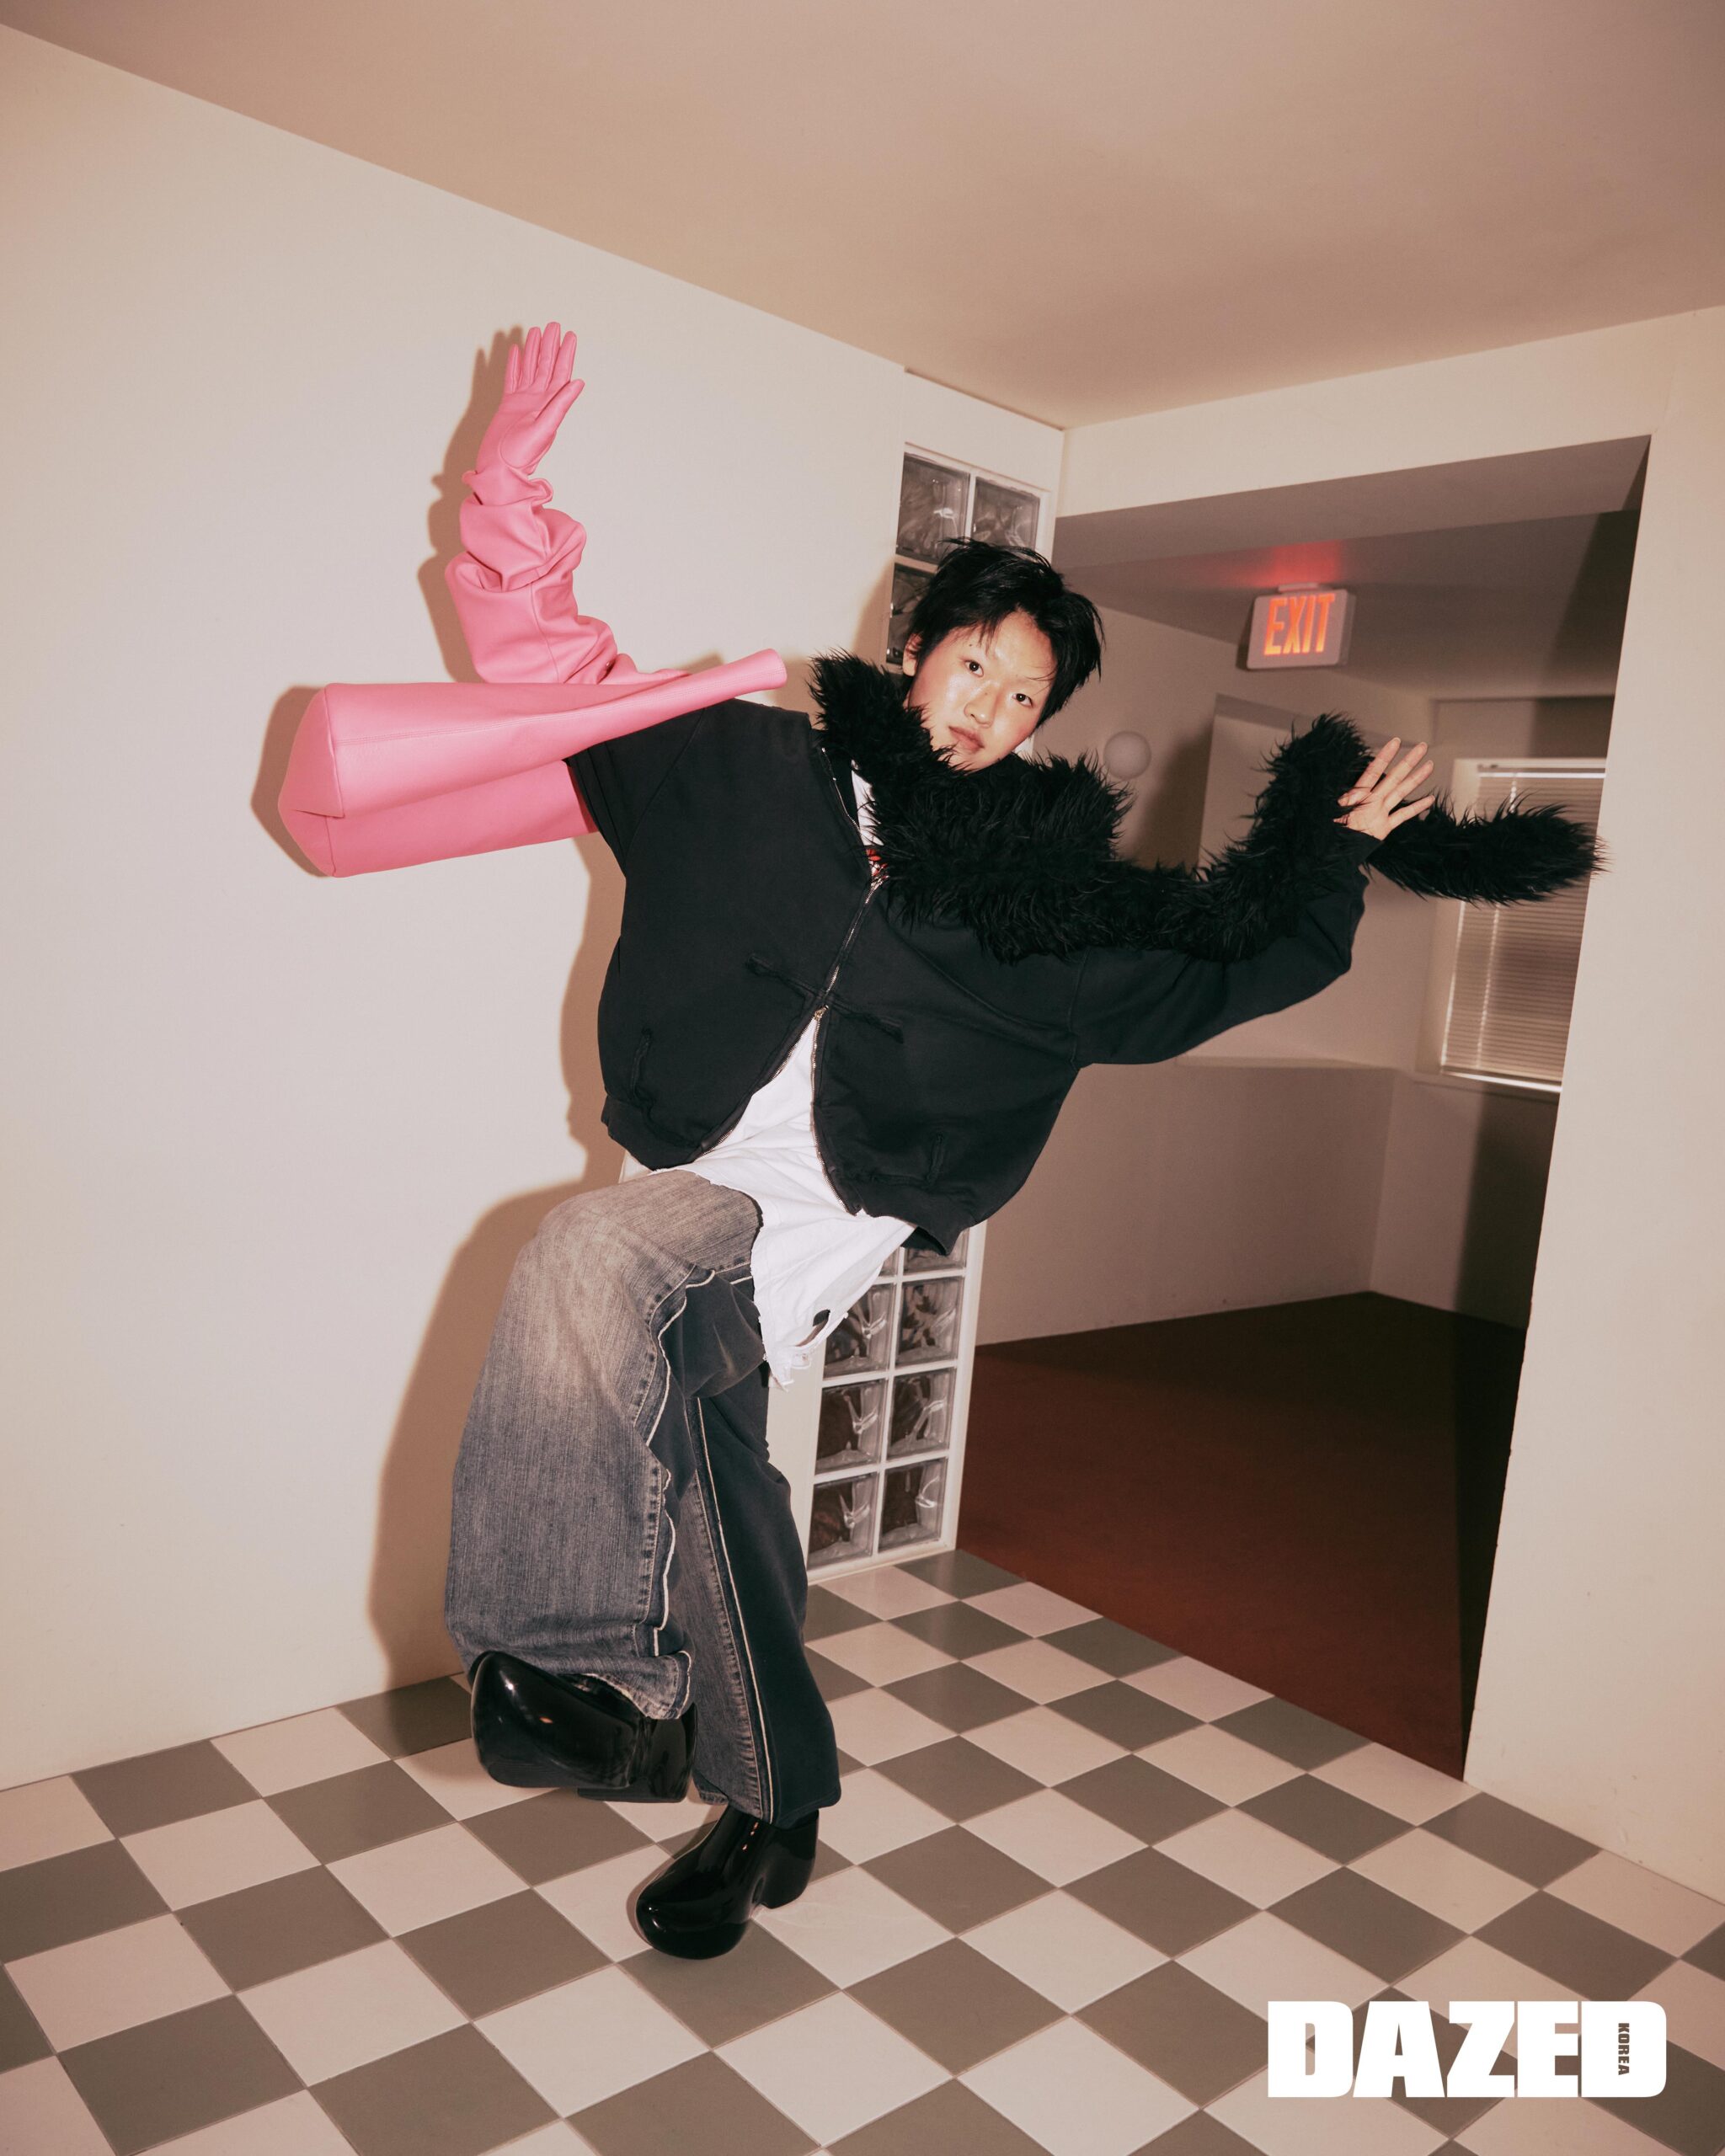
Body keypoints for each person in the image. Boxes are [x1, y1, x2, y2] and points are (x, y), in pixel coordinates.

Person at [434, 323, 1599, 1960]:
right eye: (974, 665)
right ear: (913, 650)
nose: (989, 706)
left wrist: (1332, 855)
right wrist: (504, 495)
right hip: (681, 1175)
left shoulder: (1032, 908)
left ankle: (598, 1688)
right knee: (706, 1481)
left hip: (806, 1220)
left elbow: (1213, 966)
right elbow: (560, 675)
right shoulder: (745, 774)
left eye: (1026, 696)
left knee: (584, 1255)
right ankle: (772, 1803)